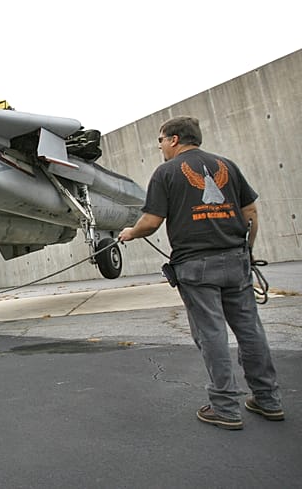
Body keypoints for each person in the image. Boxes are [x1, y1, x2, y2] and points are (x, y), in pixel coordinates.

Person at [119, 116, 282, 430]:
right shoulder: (228, 166)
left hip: (196, 266)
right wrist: (246, 252)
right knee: (250, 330)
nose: (161, 147)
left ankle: (225, 407)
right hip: (236, 261)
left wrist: (130, 232)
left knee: (211, 334)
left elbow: (151, 222)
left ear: (175, 139)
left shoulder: (166, 172)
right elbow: (250, 213)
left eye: (162, 141)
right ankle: (268, 399)